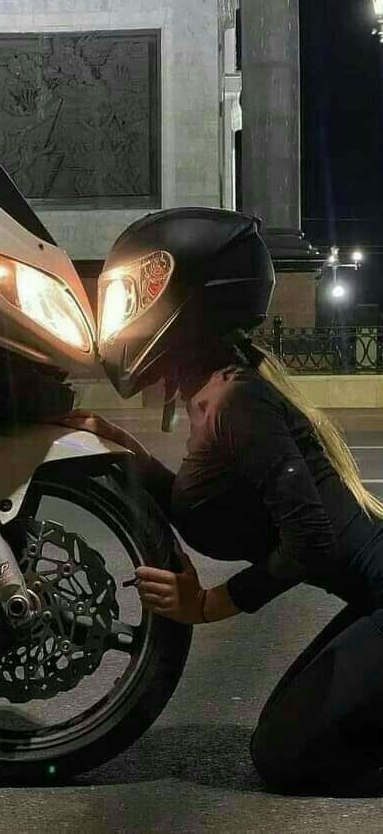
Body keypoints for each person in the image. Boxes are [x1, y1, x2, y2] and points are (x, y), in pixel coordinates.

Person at [77, 207, 383, 793]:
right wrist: (117, 445)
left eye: (142, 291)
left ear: (187, 301)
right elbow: (199, 500)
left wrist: (210, 605)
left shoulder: (239, 403)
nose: (128, 313)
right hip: (373, 601)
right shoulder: (221, 394)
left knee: (287, 760)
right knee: (288, 739)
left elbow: (311, 539)